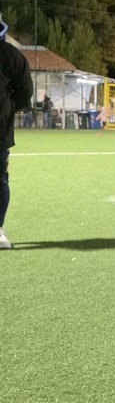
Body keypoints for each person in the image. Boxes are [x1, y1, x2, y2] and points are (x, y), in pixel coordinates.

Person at [0, 15, 34, 249]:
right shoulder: (12, 55)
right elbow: (24, 93)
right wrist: (8, 109)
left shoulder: (11, 56)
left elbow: (24, 92)